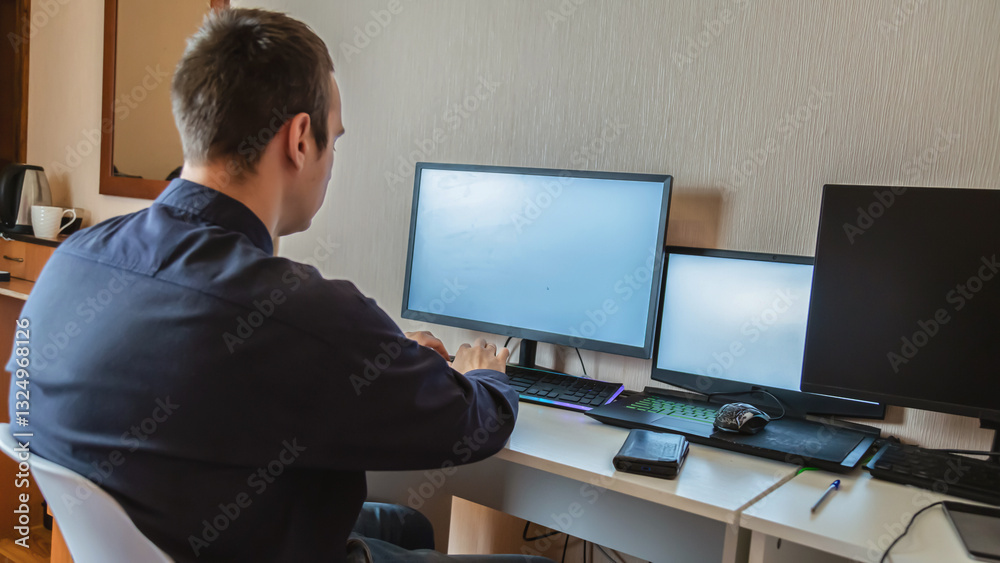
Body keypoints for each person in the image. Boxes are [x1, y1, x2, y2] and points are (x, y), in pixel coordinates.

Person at [8, 8, 551, 563]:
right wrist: (484, 374)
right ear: (298, 139)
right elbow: (472, 427)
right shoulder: (296, 312)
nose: (332, 161)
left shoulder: (72, 262)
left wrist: (378, 356)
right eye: (333, 141)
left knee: (406, 525)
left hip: (172, 532)